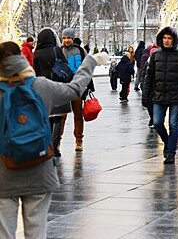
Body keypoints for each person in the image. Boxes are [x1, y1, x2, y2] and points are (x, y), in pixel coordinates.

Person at [0, 41, 108, 239]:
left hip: (4, 173)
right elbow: (75, 89)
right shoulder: (40, 86)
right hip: (39, 170)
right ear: (24, 60)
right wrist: (90, 61)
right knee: (36, 232)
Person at [142, 27, 178, 165]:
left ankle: (171, 153)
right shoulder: (155, 55)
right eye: (164, 38)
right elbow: (149, 77)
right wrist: (145, 95)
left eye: (169, 38)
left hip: (175, 96)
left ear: (174, 40)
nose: (166, 41)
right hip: (159, 95)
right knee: (157, 122)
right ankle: (168, 142)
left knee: (173, 124)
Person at [33, 28, 69, 157]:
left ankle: (48, 145)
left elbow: (35, 72)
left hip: (43, 87)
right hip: (57, 86)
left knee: (48, 117)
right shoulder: (56, 50)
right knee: (58, 117)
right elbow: (65, 65)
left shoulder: (37, 53)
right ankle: (55, 146)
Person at [61, 28, 93, 152]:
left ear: (73, 39)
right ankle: (57, 140)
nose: (66, 40)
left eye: (68, 38)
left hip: (77, 88)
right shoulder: (59, 51)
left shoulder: (80, 51)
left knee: (78, 115)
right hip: (63, 88)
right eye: (64, 38)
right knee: (62, 116)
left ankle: (79, 140)